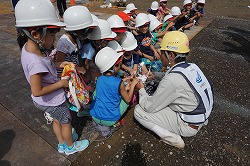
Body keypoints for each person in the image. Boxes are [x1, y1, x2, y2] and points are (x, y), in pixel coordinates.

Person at [15, 0, 89, 155]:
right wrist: (61, 84)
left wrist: (60, 64)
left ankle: (62, 143)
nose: (54, 40)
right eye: (52, 35)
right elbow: (37, 90)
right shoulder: (36, 62)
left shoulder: (30, 49)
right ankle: (70, 146)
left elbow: (47, 64)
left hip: (46, 102)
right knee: (66, 122)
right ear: (35, 34)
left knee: (57, 120)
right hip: (53, 100)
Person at [134, 31, 214, 148]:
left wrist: (141, 89)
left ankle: (171, 138)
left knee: (139, 111)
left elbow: (149, 107)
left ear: (170, 55)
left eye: (162, 52)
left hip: (187, 125)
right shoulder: (191, 66)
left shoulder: (172, 80)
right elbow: (176, 77)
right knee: (165, 99)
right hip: (199, 116)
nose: (160, 55)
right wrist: (155, 75)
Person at [90, 47, 139, 137]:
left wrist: (125, 80)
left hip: (94, 116)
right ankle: (112, 124)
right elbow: (128, 99)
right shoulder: (119, 82)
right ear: (114, 67)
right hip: (110, 120)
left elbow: (110, 84)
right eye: (119, 65)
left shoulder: (99, 79)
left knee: (98, 94)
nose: (120, 66)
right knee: (125, 100)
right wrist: (132, 85)